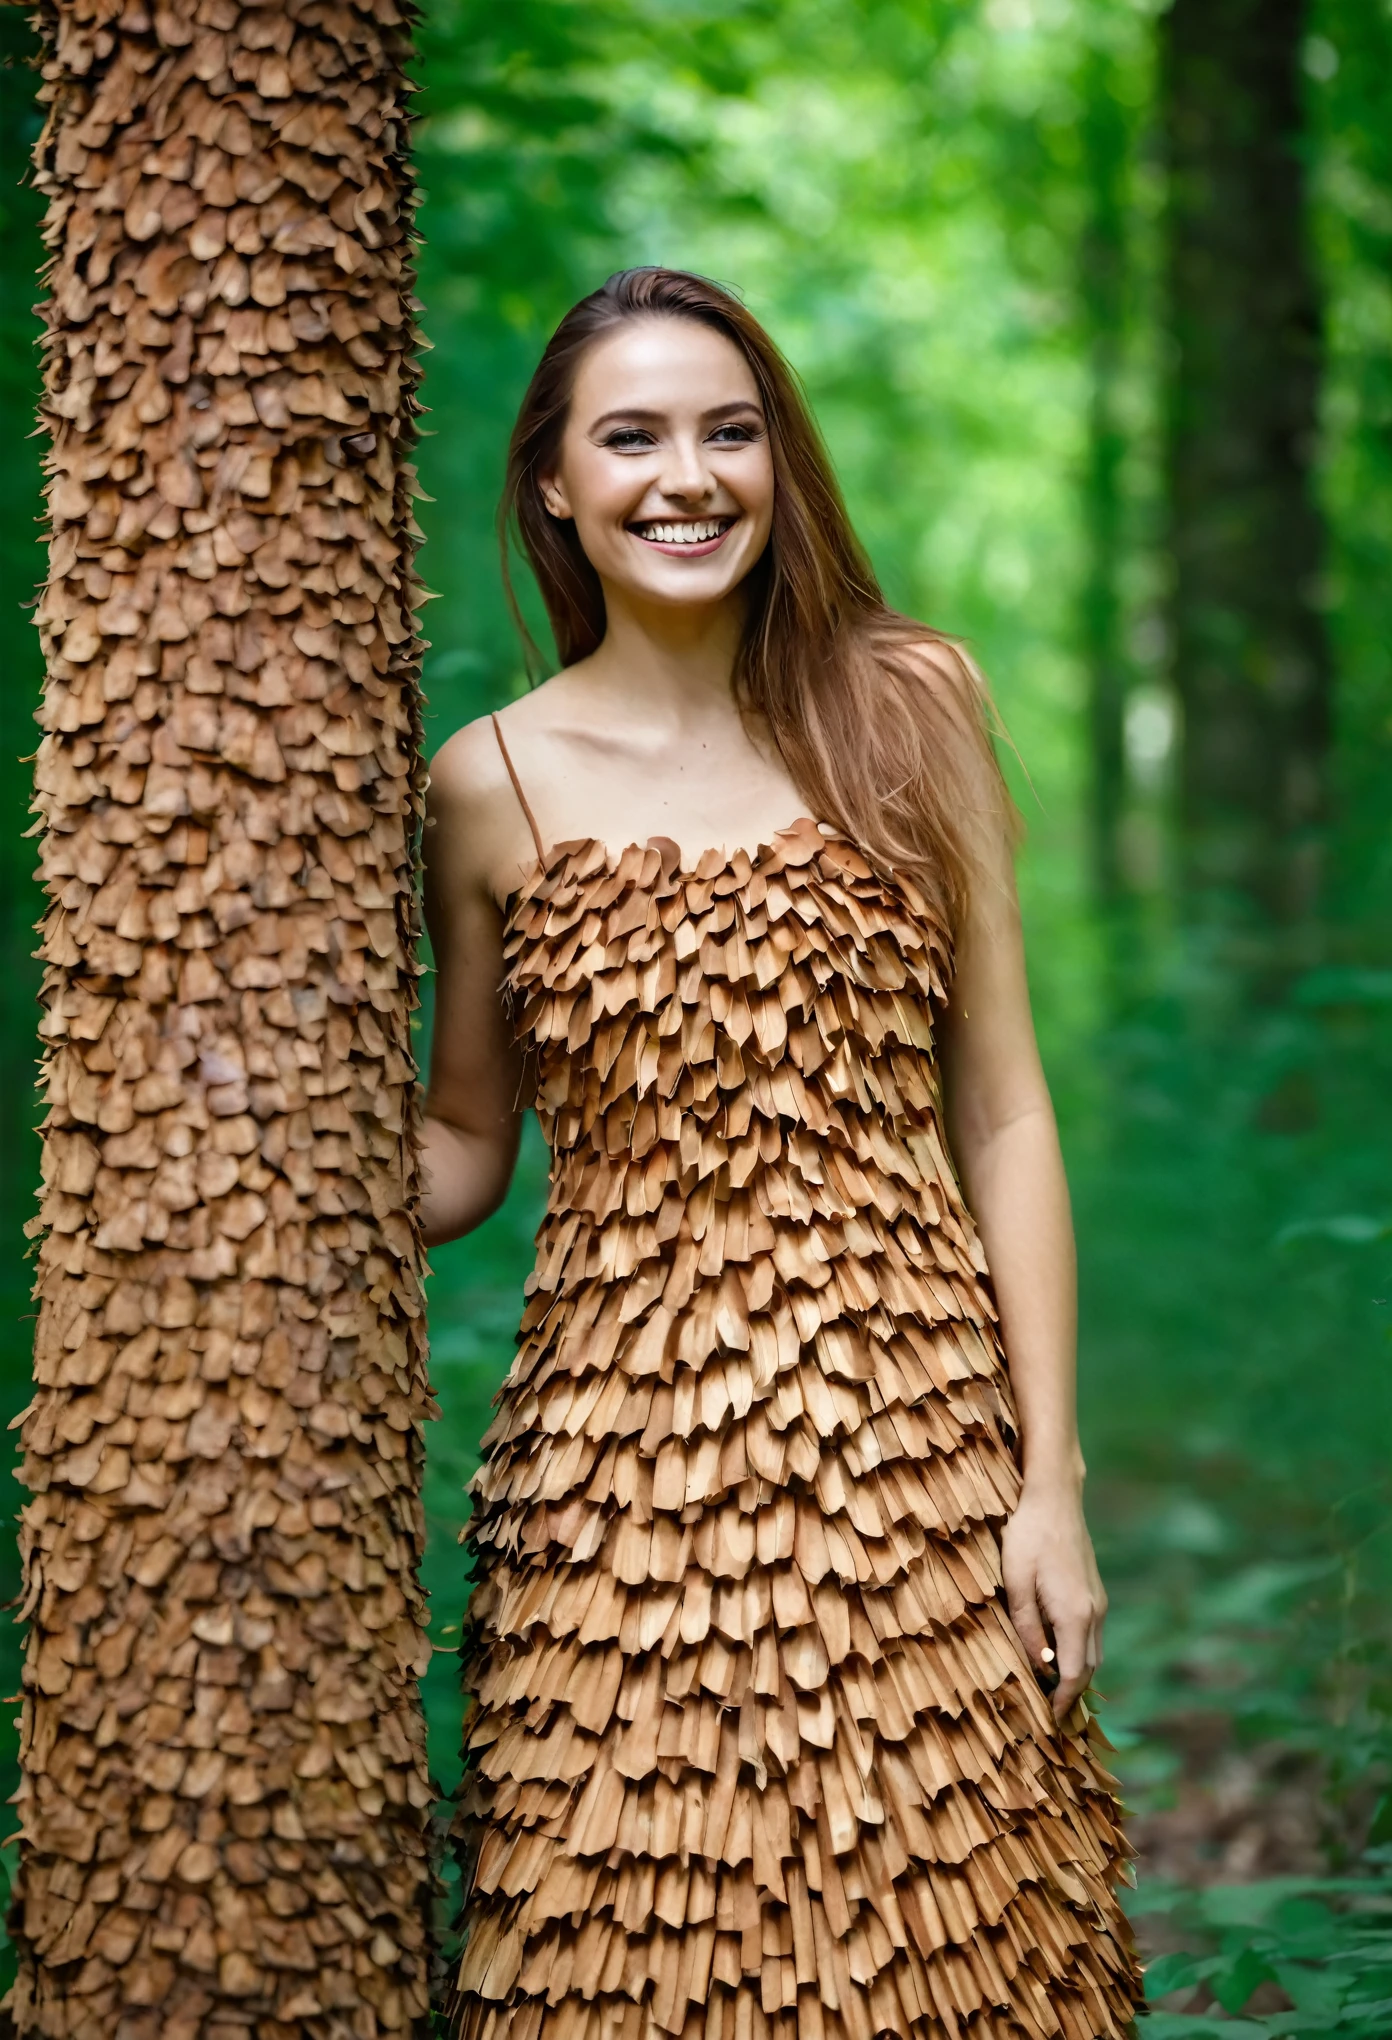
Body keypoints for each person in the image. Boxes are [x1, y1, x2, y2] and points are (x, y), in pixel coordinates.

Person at [422, 267, 1140, 2040]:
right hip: (614, 1488)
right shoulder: (487, 781)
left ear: (779, 460)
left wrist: (1049, 1486)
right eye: (634, 437)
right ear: (555, 487)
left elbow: (1006, 1107)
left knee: (961, 1933)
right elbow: (461, 1141)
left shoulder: (911, 702)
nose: (689, 477)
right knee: (628, 1938)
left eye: (729, 431)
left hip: (913, 1455)